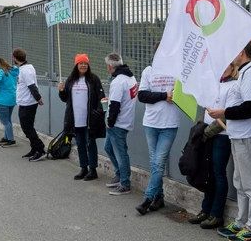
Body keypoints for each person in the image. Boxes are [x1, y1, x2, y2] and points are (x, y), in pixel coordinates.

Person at [207, 39, 251, 241]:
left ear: (241, 51)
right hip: (237, 134)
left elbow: (250, 108)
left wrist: (223, 112)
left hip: (246, 134)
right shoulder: (245, 72)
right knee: (240, 182)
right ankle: (241, 221)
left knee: (250, 184)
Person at [188, 63, 237, 230]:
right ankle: (205, 209)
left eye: (226, 65)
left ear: (233, 68)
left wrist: (208, 131)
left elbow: (227, 115)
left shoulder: (234, 86)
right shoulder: (214, 84)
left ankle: (216, 214)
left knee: (218, 173)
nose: (222, 68)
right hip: (207, 135)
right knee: (207, 172)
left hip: (221, 136)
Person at [135, 55, 180, 215]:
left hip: (169, 124)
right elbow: (142, 96)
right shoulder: (149, 71)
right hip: (151, 124)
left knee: (158, 162)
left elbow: (185, 95)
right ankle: (159, 197)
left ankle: (147, 199)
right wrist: (163, 96)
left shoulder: (178, 70)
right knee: (155, 163)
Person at [58, 54, 106, 180]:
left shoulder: (94, 79)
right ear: (76, 65)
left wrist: (98, 111)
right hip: (75, 119)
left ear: (88, 65)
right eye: (81, 63)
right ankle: (83, 168)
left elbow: (102, 97)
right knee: (80, 143)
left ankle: (93, 170)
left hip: (89, 119)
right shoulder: (71, 80)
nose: (83, 65)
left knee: (90, 143)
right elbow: (65, 99)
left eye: (85, 63)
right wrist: (61, 91)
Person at [104, 53, 137, 196]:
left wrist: (110, 122)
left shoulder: (118, 81)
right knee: (109, 148)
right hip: (125, 120)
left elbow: (116, 105)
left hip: (118, 124)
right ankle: (120, 175)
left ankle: (125, 183)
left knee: (120, 153)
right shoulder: (131, 78)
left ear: (110, 66)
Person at [14, 48, 46, 162]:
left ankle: (40, 149)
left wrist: (38, 98)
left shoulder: (25, 70)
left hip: (28, 103)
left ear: (15, 58)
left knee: (26, 127)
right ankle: (34, 148)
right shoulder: (27, 67)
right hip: (26, 102)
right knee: (29, 127)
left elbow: (31, 85)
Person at [0, 57, 18, 147]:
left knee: (5, 121)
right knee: (8, 119)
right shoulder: (11, 71)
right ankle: (6, 137)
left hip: (1, 100)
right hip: (11, 99)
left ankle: (11, 139)